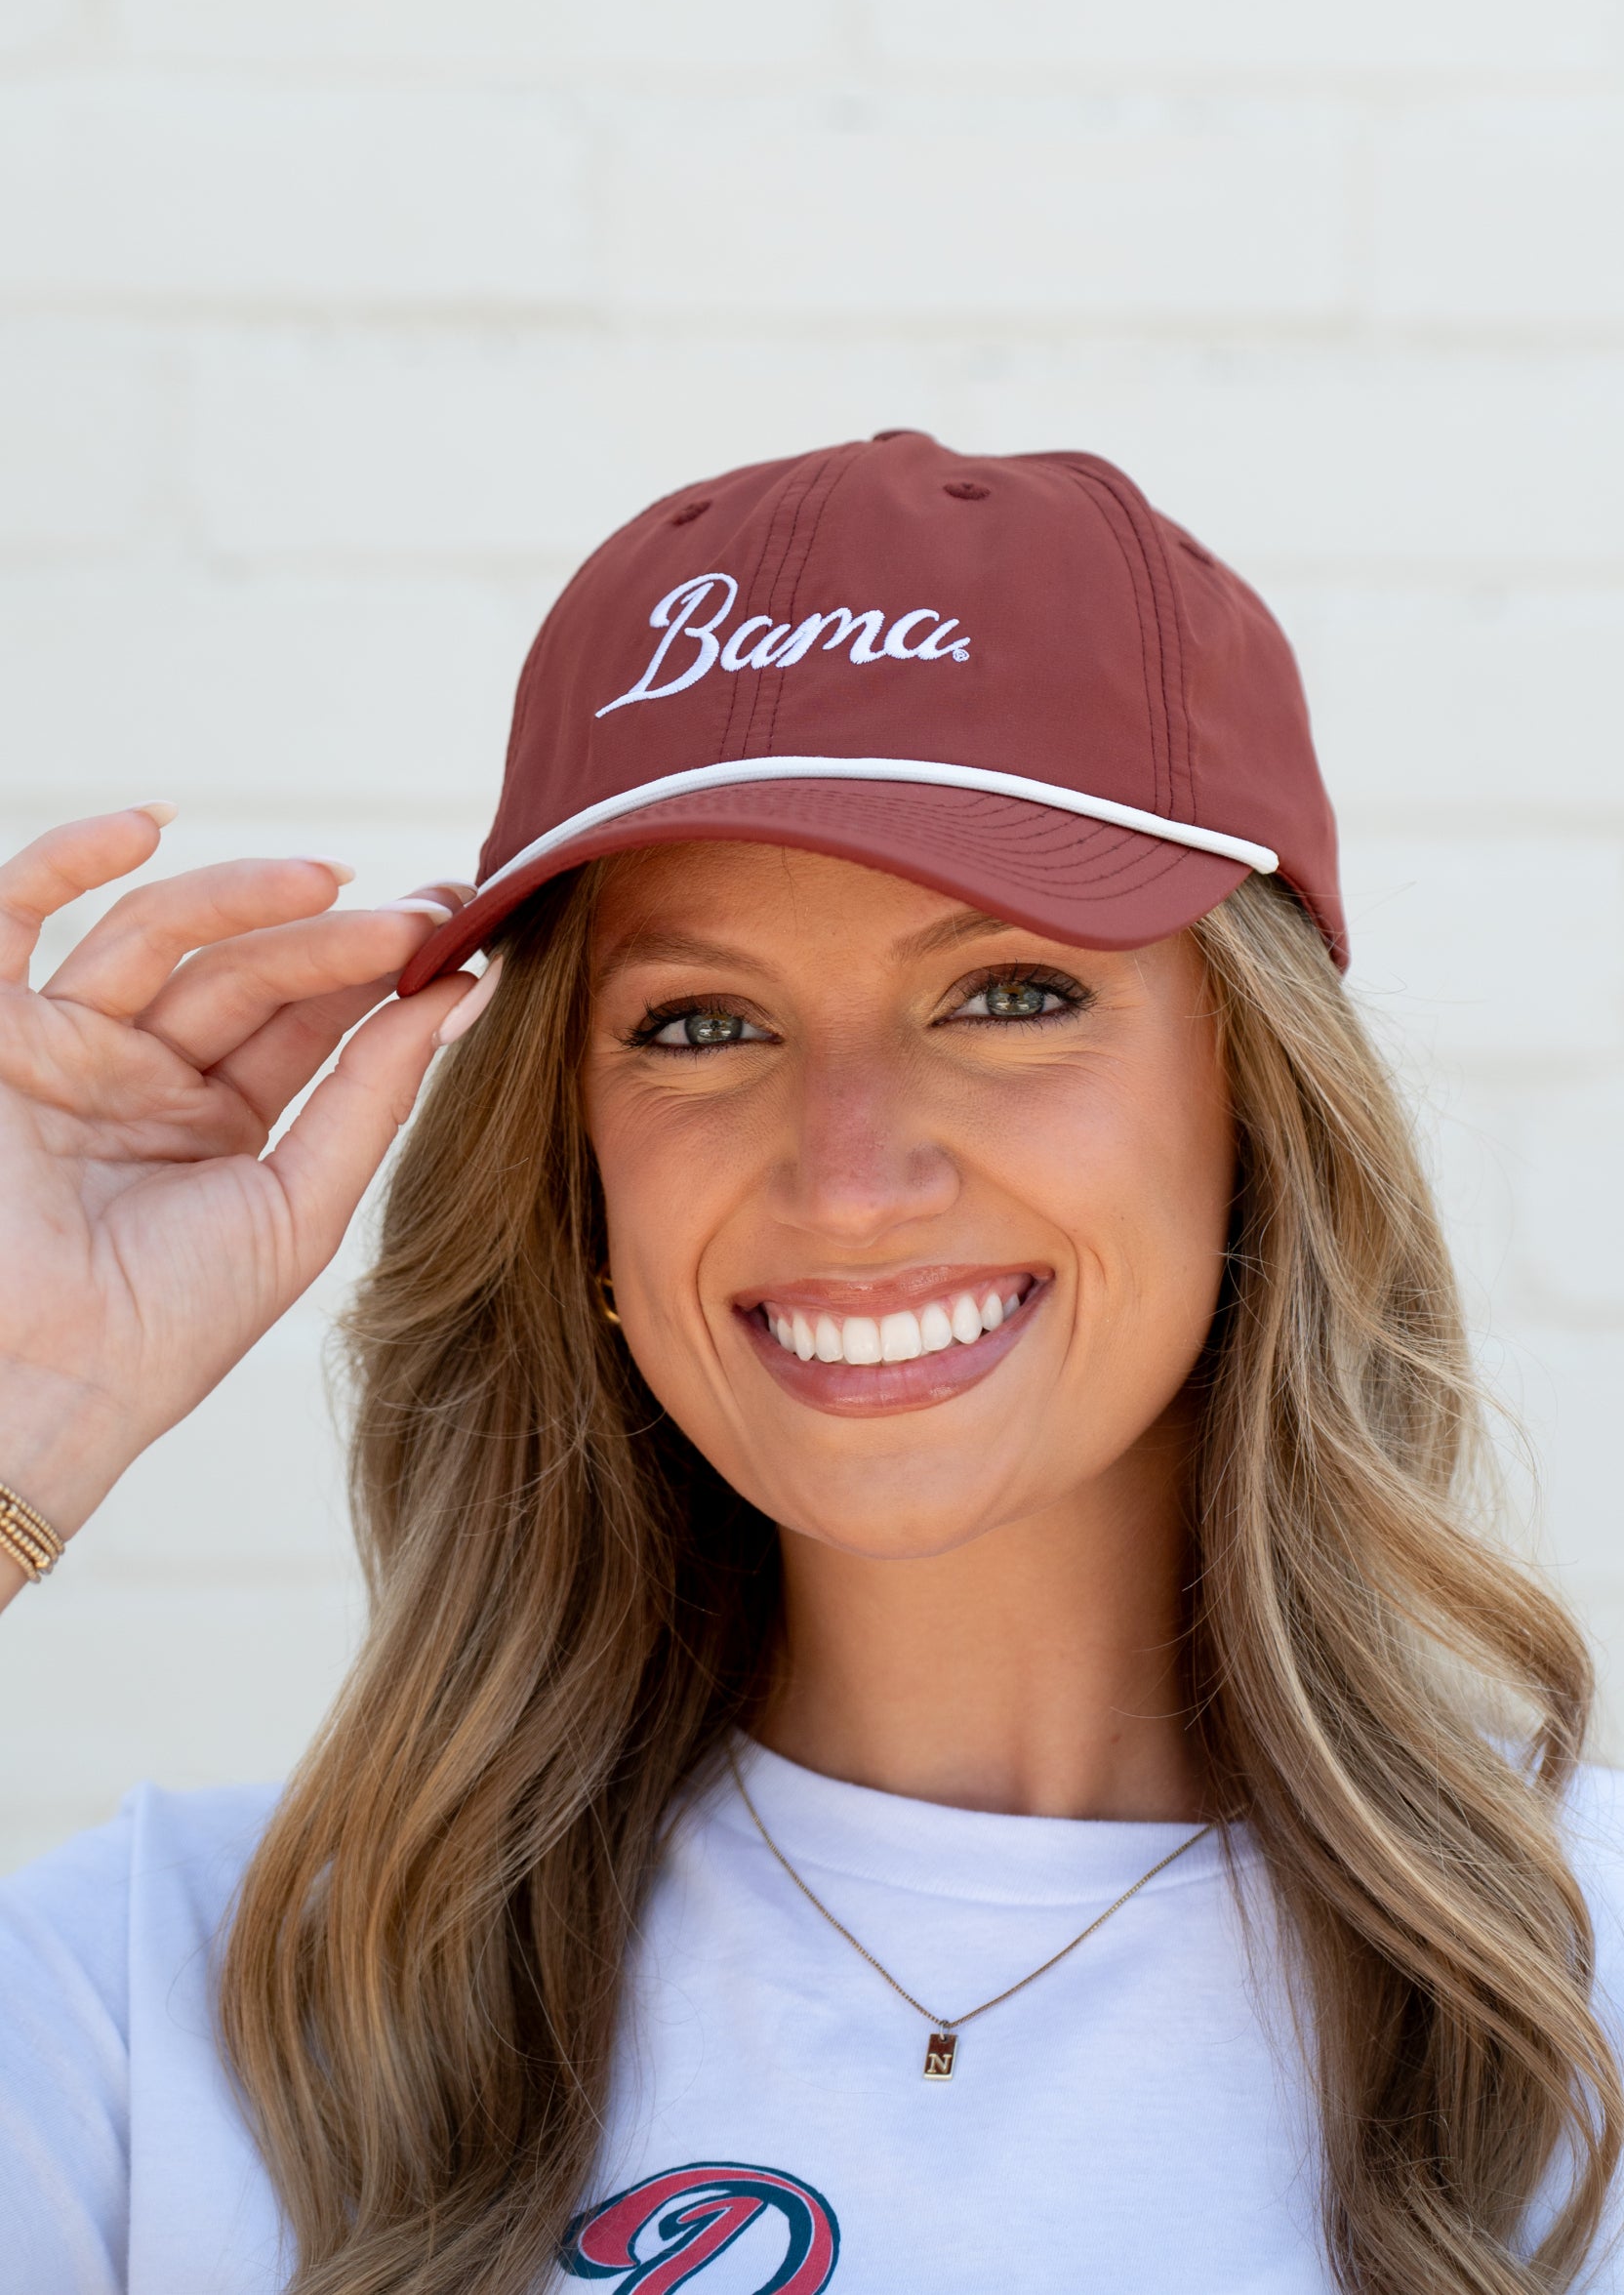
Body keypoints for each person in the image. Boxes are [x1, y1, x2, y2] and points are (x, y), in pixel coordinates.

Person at [0, 432, 1619, 2295]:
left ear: (1258, 1105)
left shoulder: (1579, 2004)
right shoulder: (168, 2009)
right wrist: (27, 1413)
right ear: (577, 1172)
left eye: (1009, 994)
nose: (851, 1181)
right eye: (702, 1024)